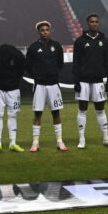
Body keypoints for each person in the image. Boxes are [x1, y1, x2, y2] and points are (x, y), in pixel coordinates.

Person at [71, 13, 108, 149]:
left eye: (96, 22)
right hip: (84, 81)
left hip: (98, 81)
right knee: (82, 109)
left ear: (98, 24)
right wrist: (76, 81)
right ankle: (81, 139)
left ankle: (106, 138)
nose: (94, 24)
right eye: (92, 22)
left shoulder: (104, 40)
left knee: (100, 109)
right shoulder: (80, 41)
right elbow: (76, 63)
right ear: (87, 24)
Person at [25, 20, 67, 152]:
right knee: (38, 114)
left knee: (56, 113)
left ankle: (60, 141)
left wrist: (52, 73)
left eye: (47, 30)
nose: (45, 32)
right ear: (38, 32)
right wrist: (37, 75)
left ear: (50, 31)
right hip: (40, 85)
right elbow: (28, 66)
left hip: (53, 84)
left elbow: (60, 63)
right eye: (42, 30)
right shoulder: (33, 47)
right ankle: (35, 142)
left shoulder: (56, 45)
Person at [0, 41, 27, 153]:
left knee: (12, 115)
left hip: (13, 90)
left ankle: (13, 143)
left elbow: (21, 68)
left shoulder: (16, 56)